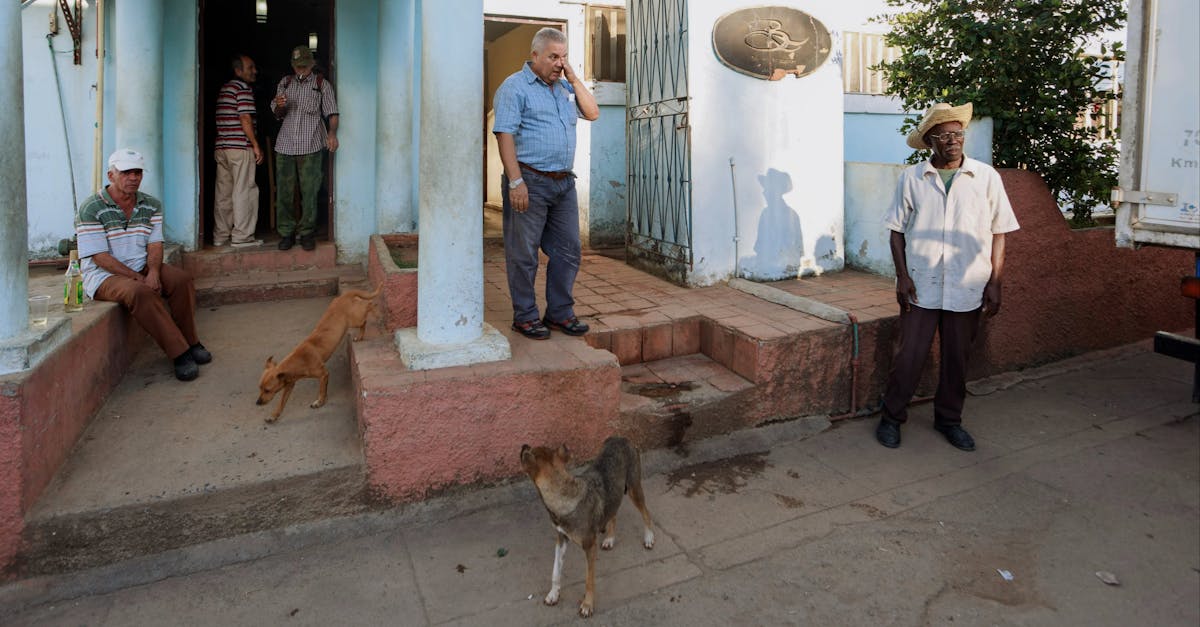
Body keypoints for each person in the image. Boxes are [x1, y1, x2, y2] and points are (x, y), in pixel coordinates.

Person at [876, 102, 1020, 451]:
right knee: (908, 356)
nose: (954, 141)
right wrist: (902, 277)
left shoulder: (986, 177)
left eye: (958, 134)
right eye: (945, 135)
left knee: (957, 359)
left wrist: (996, 282)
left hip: (968, 284)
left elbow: (1000, 231)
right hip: (921, 285)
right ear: (930, 142)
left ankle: (949, 420)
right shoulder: (912, 178)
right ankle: (892, 418)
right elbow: (896, 230)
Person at [492, 27, 599, 340]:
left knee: (569, 251)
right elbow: (505, 135)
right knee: (523, 255)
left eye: (563, 57)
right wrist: (515, 182)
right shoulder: (515, 87)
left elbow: (592, 113)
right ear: (534, 55)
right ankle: (524, 317)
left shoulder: (566, 88)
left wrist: (574, 78)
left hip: (563, 183)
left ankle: (559, 313)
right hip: (530, 182)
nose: (559, 63)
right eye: (553, 56)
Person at [75, 149, 212, 382]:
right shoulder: (92, 208)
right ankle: (179, 354)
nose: (133, 177)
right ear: (111, 175)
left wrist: (155, 272)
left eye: (137, 172)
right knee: (140, 293)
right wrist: (138, 278)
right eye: (126, 172)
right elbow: (99, 257)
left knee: (181, 280)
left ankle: (191, 341)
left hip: (142, 265)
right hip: (103, 276)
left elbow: (155, 244)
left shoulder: (151, 204)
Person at [270, 45, 338, 251]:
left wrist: (332, 134)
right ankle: (286, 233)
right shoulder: (285, 83)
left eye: (304, 67)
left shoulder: (321, 85)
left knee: (310, 192)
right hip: (285, 146)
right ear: (293, 66)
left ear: (312, 64)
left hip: (311, 146)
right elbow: (277, 114)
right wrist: (280, 105)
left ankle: (307, 232)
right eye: (297, 67)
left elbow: (332, 113)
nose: (300, 70)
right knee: (284, 192)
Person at [213, 53, 264, 248]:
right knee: (245, 190)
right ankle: (242, 236)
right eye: (250, 67)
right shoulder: (243, 89)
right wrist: (255, 145)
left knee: (223, 193)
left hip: (222, 148)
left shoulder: (225, 88)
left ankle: (221, 235)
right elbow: (245, 118)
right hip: (240, 148)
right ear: (238, 71)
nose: (254, 71)